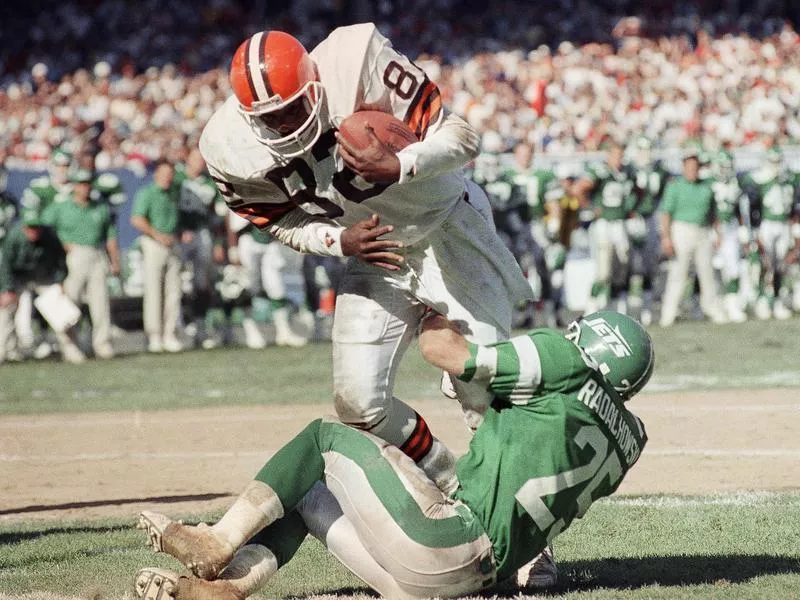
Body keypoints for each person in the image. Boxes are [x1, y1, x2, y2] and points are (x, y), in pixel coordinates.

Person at [199, 26, 531, 499]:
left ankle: (526, 533)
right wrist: (339, 240)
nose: (286, 123)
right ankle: (451, 479)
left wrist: (401, 164)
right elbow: (280, 222)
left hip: (448, 227)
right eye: (271, 117)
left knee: (484, 388)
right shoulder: (229, 147)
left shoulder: (355, 63)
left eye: (294, 105)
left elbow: (463, 136)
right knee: (358, 402)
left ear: (315, 84)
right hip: (376, 250)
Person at [133, 309, 652, 600]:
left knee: (320, 440)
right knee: (309, 486)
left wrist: (433, 303)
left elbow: (442, 352)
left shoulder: (565, 362)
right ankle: (231, 588)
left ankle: (217, 542)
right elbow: (536, 439)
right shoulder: (627, 439)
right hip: (467, 578)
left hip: (448, 539)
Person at [42, 168, 121, 359]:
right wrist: (61, 245)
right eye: (81, 184)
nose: (84, 188)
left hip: (96, 253)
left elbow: (110, 236)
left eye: (87, 184)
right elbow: (44, 228)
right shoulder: (62, 207)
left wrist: (115, 260)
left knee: (100, 303)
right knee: (69, 302)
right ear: (74, 186)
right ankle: (69, 345)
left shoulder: (100, 207)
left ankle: (102, 344)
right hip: (74, 255)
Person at [0, 206, 84, 364]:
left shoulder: (50, 236)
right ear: (23, 226)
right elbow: (5, 266)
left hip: (43, 277)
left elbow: (61, 261)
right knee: (6, 309)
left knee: (61, 309)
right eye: (30, 227)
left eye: (37, 227)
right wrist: (6, 289)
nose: (34, 231)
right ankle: (6, 351)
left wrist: (60, 282)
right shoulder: (13, 237)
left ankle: (71, 349)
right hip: (19, 278)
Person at [659, 151, 726, 327]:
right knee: (677, 273)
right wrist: (666, 238)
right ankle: (669, 312)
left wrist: (717, 233)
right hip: (681, 229)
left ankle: (712, 308)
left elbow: (713, 214)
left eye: (695, 168)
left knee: (707, 273)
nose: (692, 171)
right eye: (689, 167)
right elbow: (666, 214)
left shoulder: (706, 187)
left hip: (703, 230)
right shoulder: (675, 186)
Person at [226, 212, 309, 349]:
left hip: (271, 242)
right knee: (248, 286)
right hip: (248, 241)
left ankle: (283, 331)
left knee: (276, 286)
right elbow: (232, 218)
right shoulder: (244, 191)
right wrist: (232, 247)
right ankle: (251, 330)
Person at [173, 148, 227, 349]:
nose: (200, 163)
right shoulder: (177, 180)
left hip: (202, 234)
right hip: (180, 235)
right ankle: (177, 327)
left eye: (203, 160)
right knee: (177, 282)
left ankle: (200, 325)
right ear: (187, 158)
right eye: (196, 159)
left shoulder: (209, 183)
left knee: (201, 283)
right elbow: (167, 208)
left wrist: (220, 243)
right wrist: (178, 229)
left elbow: (218, 216)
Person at [574, 143, 636, 314]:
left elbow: (638, 192)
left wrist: (632, 209)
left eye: (620, 155)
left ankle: (619, 308)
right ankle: (590, 309)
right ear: (608, 156)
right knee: (603, 271)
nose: (618, 160)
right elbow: (578, 188)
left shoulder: (628, 172)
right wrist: (590, 207)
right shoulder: (600, 172)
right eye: (615, 155)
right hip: (604, 224)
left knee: (622, 268)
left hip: (621, 224)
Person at [131, 159, 183, 353]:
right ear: (156, 175)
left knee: (174, 292)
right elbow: (137, 219)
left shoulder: (175, 192)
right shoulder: (147, 193)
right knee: (154, 291)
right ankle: (154, 335)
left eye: (170, 174)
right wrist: (157, 235)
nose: (167, 177)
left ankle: (170, 333)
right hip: (154, 243)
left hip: (173, 243)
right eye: (164, 173)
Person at [741, 148, 799, 321]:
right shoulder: (760, 180)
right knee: (764, 264)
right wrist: (755, 230)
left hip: (783, 225)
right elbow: (753, 207)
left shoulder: (788, 180)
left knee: (781, 265)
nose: (776, 166)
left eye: (778, 162)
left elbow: (794, 206)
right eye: (772, 162)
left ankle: (778, 299)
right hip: (767, 224)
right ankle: (763, 300)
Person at [627, 136, 670, 326]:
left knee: (650, 264)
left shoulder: (660, 171)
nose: (645, 154)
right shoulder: (629, 170)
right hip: (631, 219)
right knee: (627, 264)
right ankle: (626, 306)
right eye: (641, 150)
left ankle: (646, 305)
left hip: (652, 219)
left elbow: (664, 196)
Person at [710, 151, 749, 323]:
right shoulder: (708, 184)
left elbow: (741, 210)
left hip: (731, 229)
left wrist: (743, 229)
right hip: (712, 229)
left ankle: (732, 304)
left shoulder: (737, 184)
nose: (726, 171)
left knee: (733, 268)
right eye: (723, 167)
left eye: (728, 167)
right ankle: (712, 305)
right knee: (711, 269)